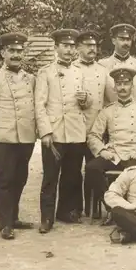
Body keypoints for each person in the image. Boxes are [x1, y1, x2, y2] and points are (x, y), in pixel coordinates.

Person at [0, 32, 36, 239]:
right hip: (4, 139)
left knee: (21, 178)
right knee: (6, 180)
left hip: (26, 138)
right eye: (12, 51)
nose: (16, 55)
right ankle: (5, 224)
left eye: (20, 51)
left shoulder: (32, 80)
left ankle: (14, 217)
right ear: (3, 53)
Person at [35, 29, 90, 233]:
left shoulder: (79, 72)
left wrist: (85, 99)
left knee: (72, 174)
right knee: (50, 176)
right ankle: (46, 218)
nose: (69, 50)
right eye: (65, 46)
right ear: (56, 47)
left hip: (75, 131)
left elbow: (86, 103)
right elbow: (39, 105)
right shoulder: (45, 72)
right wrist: (45, 132)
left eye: (72, 46)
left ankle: (65, 211)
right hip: (55, 132)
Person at [86, 67, 136, 224]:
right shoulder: (107, 111)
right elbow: (93, 135)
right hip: (114, 154)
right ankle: (111, 208)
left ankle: (132, 209)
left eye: (126, 83)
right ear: (114, 87)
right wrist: (102, 150)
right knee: (91, 168)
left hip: (134, 154)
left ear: (132, 86)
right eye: (119, 84)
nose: (122, 87)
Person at [72, 24, 109, 218]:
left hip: (97, 128)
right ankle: (76, 208)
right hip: (75, 127)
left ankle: (93, 209)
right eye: (87, 45)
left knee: (94, 167)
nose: (92, 49)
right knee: (74, 169)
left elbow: (109, 100)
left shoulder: (102, 70)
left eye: (94, 45)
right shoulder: (71, 69)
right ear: (78, 48)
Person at [99, 23, 136, 104]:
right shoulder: (103, 64)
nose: (126, 43)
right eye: (122, 39)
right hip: (111, 113)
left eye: (128, 39)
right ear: (113, 41)